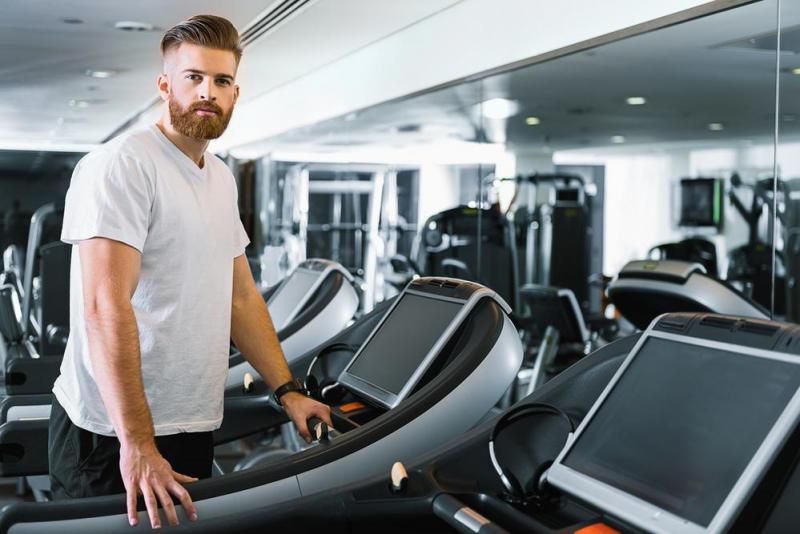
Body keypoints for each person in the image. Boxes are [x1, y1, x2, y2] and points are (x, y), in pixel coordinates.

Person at [48, 14, 332, 529]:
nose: (208, 91)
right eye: (193, 77)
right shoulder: (122, 165)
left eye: (221, 81)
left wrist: (288, 389)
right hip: (113, 433)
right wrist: (137, 444)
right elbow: (103, 308)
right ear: (164, 85)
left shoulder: (219, 178)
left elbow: (240, 297)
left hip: (189, 422)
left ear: (235, 93)